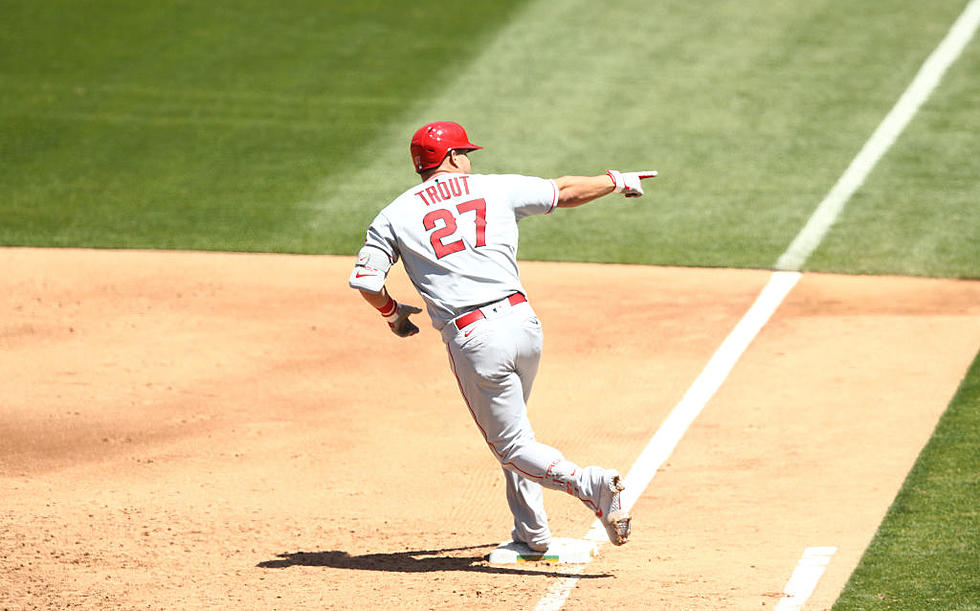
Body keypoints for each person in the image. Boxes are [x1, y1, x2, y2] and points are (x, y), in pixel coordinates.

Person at [349, 120, 656, 551]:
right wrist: (616, 179)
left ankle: (591, 484)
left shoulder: (393, 215)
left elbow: (365, 281)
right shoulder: (494, 189)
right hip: (524, 325)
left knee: (511, 447)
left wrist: (393, 314)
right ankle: (532, 534)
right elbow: (564, 191)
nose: (470, 160)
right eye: (466, 152)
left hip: (476, 340)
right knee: (519, 432)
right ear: (452, 157)